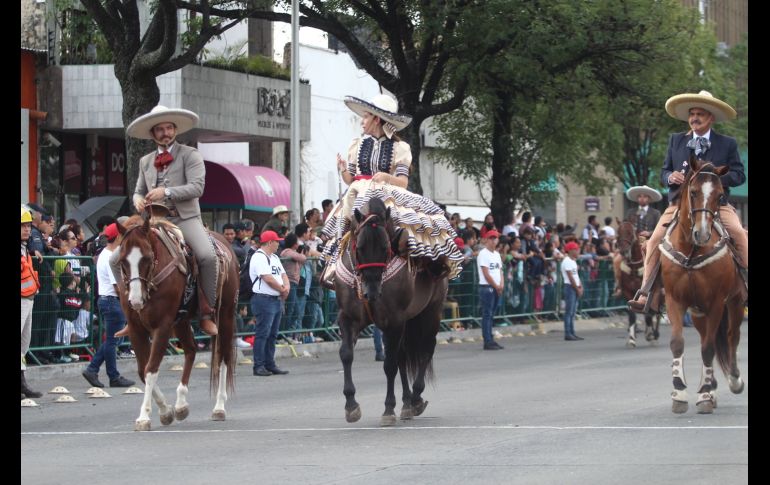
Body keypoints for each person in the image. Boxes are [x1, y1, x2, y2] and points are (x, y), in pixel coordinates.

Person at [320, 93, 463, 285]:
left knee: (403, 224)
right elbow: (350, 179)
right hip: (358, 191)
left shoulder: (400, 148)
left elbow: (402, 182)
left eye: (365, 117)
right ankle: (335, 266)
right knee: (344, 223)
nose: (362, 121)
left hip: (384, 191)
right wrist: (343, 169)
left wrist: (386, 177)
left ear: (376, 119)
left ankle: (418, 264)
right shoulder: (356, 145)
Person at [629, 91, 747, 313]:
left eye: (700, 114)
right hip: (679, 205)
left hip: (716, 204)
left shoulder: (727, 143)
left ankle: (747, 284)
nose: (694, 118)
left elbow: (740, 175)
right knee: (654, 240)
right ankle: (645, 293)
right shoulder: (676, 140)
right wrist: (669, 177)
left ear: (710, 117)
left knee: (739, 234)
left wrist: (712, 178)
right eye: (692, 114)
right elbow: (664, 171)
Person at [118, 105, 219, 336]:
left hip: (184, 218)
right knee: (117, 257)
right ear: (153, 134)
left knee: (207, 255)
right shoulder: (145, 161)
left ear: (175, 130)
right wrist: (137, 200)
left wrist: (167, 192)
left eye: (169, 128)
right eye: (160, 129)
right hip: (153, 221)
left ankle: (206, 312)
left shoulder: (190, 154)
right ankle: (130, 314)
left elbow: (198, 187)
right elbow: (138, 190)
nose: (165, 132)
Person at [82, 223, 135, 388]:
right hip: (112, 300)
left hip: (107, 300)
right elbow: (117, 286)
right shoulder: (110, 257)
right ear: (118, 237)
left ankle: (93, 369)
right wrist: (128, 297)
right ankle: (111, 375)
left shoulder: (105, 254)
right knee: (113, 340)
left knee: (114, 340)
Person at [249, 230, 291, 377]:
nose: (278, 244)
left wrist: (286, 287)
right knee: (263, 333)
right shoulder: (259, 257)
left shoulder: (273, 257)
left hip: (275, 299)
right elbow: (267, 278)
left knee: (272, 334)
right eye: (276, 241)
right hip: (264, 299)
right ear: (269, 242)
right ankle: (258, 365)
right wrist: (282, 289)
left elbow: (283, 274)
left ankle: (269, 363)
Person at [612, 185, 662, 297]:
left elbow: (660, 229)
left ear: (649, 199)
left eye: (644, 197)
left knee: (662, 259)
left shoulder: (655, 213)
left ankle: (661, 285)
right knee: (616, 260)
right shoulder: (630, 212)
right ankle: (618, 286)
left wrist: (649, 233)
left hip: (650, 243)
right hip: (632, 243)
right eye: (640, 196)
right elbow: (624, 227)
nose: (642, 199)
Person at [21, 206, 43, 399]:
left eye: (28, 225)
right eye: (23, 226)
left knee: (23, 344)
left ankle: (22, 382)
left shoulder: (25, 248)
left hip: (28, 299)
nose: (27, 229)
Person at [476, 230, 504, 350]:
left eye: (495, 238)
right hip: (487, 287)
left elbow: (500, 271)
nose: (493, 241)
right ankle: (487, 340)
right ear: (487, 240)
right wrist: (496, 285)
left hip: (496, 287)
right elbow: (486, 273)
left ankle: (490, 338)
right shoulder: (483, 254)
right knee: (487, 314)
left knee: (491, 314)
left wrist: (501, 284)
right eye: (491, 238)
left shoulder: (496, 255)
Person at [561, 241, 584, 341]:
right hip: (570, 287)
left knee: (573, 311)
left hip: (574, 287)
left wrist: (580, 286)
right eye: (576, 249)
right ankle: (568, 332)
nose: (578, 251)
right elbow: (570, 277)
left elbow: (576, 276)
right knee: (569, 311)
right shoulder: (566, 261)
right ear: (570, 250)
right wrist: (577, 288)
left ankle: (572, 332)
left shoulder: (573, 261)